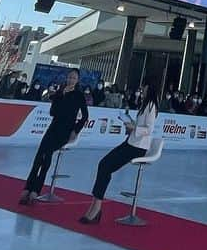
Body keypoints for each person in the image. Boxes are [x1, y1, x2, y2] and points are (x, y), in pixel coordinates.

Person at [79, 82, 159, 223]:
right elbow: (140, 126)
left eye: (145, 86)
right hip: (131, 142)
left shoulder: (151, 106)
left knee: (105, 166)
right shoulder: (144, 104)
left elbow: (148, 129)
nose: (142, 89)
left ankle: (96, 208)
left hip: (138, 147)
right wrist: (131, 125)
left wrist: (133, 127)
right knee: (104, 165)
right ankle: (95, 205)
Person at [19, 70, 89, 204]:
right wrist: (60, 96)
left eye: (74, 78)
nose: (71, 80)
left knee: (47, 157)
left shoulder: (79, 95)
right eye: (69, 77)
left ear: (77, 80)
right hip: (53, 126)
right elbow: (53, 112)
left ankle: (36, 191)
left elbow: (85, 116)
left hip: (65, 130)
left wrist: (76, 130)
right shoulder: (60, 92)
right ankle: (28, 188)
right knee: (39, 157)